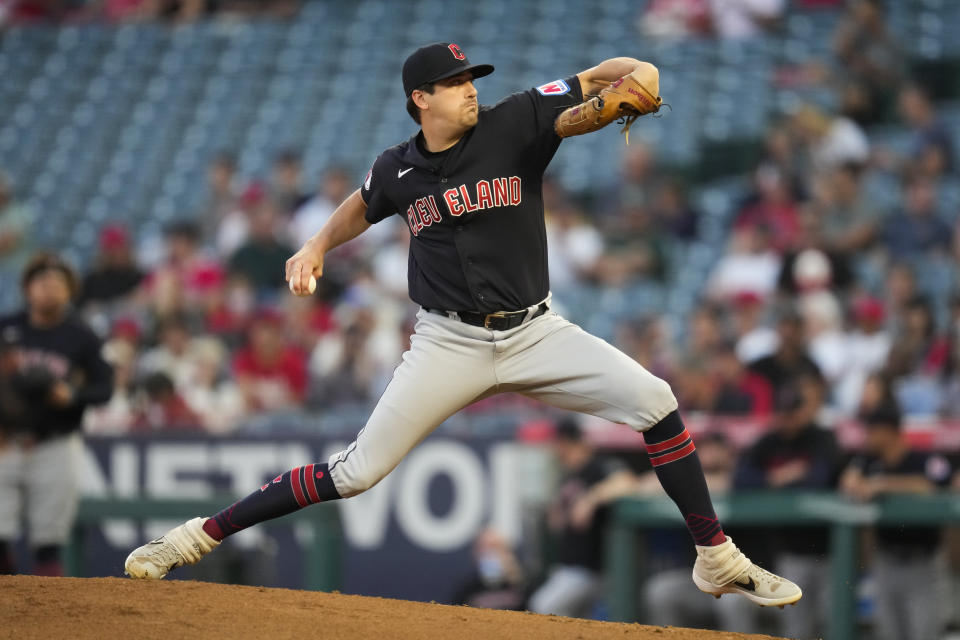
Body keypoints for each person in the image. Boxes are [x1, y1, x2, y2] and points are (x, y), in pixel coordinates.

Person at [125, 42, 802, 607]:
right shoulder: (399, 166)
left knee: (657, 402)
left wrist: (626, 90)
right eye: (453, 84)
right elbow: (363, 205)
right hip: (448, 340)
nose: (469, 91)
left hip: (536, 331)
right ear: (421, 98)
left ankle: (714, 555)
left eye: (471, 79)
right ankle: (197, 536)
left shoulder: (517, 121)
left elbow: (626, 73)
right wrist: (315, 248)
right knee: (357, 473)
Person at [0, 253, 113, 575]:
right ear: (26, 288)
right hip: (5, 442)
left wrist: (73, 396)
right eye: (41, 281)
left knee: (48, 541)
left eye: (57, 283)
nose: (49, 288)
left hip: (55, 443)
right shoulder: (6, 327)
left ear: (70, 290)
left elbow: (105, 389)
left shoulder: (82, 336)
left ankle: (47, 621)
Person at [734, 379, 840, 639]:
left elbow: (821, 479)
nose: (787, 420)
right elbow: (740, 480)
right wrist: (779, 477)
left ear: (803, 412)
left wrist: (783, 481)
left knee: (832, 622)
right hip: (790, 550)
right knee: (798, 628)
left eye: (792, 413)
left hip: (829, 551)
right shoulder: (770, 441)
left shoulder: (821, 438)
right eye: (782, 414)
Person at [840, 402, 953, 640]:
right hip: (886, 563)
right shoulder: (868, 461)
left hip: (923, 564)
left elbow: (935, 485)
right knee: (889, 633)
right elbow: (848, 481)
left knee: (925, 634)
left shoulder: (922, 458)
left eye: (872, 431)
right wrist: (855, 481)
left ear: (888, 431)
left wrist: (882, 485)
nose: (868, 437)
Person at [528, 419, 637, 617]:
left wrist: (590, 498)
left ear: (567, 443)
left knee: (542, 607)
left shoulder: (597, 466)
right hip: (567, 567)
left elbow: (626, 481)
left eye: (558, 444)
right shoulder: (567, 475)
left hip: (592, 570)